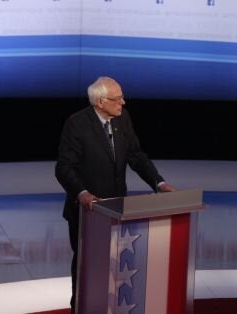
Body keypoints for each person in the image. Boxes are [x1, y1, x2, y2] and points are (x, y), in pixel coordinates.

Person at [55, 76, 175, 313]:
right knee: (86, 267)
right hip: (87, 212)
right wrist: (82, 193)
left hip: (119, 210)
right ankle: (80, 308)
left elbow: (136, 156)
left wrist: (159, 183)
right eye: (117, 98)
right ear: (100, 102)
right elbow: (64, 167)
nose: (123, 102)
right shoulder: (77, 124)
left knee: (116, 267)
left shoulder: (122, 119)